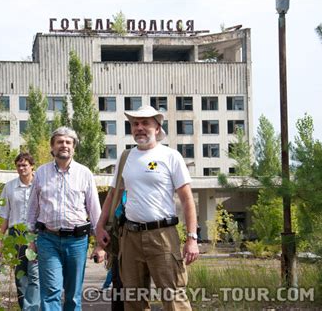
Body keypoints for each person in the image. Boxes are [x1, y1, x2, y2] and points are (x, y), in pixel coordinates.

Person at [95, 105, 200, 311]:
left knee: (173, 298)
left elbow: (187, 200)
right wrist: (99, 227)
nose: (139, 128)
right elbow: (112, 195)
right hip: (130, 238)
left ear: (158, 128)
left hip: (162, 236)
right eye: (135, 124)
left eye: (145, 123)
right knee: (133, 300)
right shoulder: (126, 157)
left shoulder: (171, 156)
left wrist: (192, 238)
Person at [27, 126, 105, 310]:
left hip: (77, 241)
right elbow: (32, 210)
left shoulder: (84, 173)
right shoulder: (41, 173)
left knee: (73, 295)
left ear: (74, 147)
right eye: (60, 142)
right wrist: (31, 240)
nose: (64, 145)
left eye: (68, 142)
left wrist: (100, 244)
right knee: (51, 292)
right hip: (48, 240)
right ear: (52, 147)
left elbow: (95, 210)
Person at [0, 152, 40, 310]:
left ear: (32, 166)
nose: (21, 168)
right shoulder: (9, 187)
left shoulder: (39, 184)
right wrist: (0, 239)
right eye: (19, 165)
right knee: (20, 275)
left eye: (25, 165)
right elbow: (4, 215)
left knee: (35, 274)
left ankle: (34, 308)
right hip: (16, 234)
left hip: (36, 233)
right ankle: (25, 307)